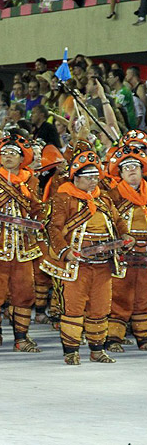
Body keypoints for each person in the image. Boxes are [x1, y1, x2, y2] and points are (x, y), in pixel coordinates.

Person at [41, 150, 134, 365]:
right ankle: (71, 351)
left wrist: (125, 235)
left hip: (103, 263)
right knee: (73, 307)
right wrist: (65, 252)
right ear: (76, 178)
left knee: (100, 308)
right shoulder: (64, 198)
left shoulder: (102, 198)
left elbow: (117, 220)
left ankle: (97, 350)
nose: (94, 181)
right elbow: (53, 229)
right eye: (89, 177)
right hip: (77, 264)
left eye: (95, 177)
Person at [0, 135, 43, 355]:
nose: (7, 157)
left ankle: (21, 339)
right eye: (4, 154)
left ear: (22, 158)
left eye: (12, 153)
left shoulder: (31, 181)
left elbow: (38, 209)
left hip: (23, 247)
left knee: (24, 293)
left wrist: (40, 218)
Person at [105, 145, 147, 351]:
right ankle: (113, 338)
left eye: (135, 166)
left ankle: (143, 337)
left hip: (145, 255)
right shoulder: (112, 196)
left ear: (142, 170)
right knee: (120, 296)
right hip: (123, 254)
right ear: (120, 173)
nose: (132, 170)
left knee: (144, 296)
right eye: (127, 167)